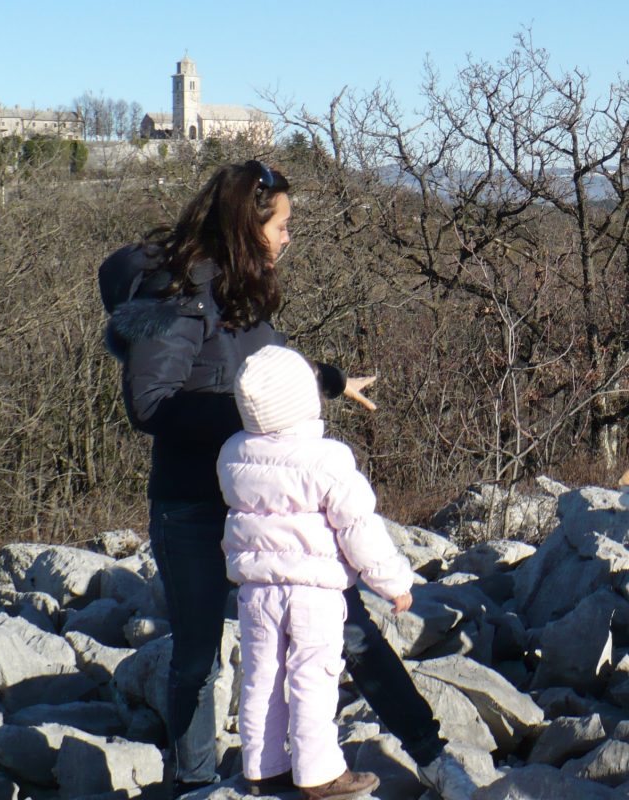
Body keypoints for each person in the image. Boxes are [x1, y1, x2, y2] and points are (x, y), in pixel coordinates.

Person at [103, 159, 474, 800]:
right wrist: (250, 425)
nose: (288, 238)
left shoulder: (241, 284)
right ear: (250, 225)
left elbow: (260, 373)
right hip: (194, 503)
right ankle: (196, 786)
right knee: (196, 656)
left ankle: (433, 755)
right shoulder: (176, 292)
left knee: (349, 627)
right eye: (283, 225)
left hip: (267, 504)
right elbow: (150, 404)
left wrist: (326, 382)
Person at [217, 344, 414, 800]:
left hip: (256, 590)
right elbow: (358, 528)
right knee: (313, 676)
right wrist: (394, 583)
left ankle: (264, 768)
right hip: (315, 591)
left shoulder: (231, 454)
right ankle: (319, 772)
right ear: (302, 400)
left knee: (261, 677)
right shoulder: (328, 458)